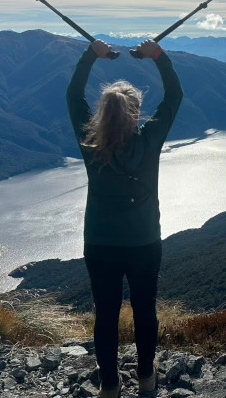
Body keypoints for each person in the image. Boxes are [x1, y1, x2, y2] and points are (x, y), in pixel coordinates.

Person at [67, 38, 183, 398]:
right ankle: (147, 378)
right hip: (144, 241)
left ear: (103, 113)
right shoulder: (149, 141)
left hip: (100, 243)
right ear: (134, 114)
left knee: (106, 313)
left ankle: (110, 385)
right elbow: (174, 96)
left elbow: (73, 96)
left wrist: (91, 55)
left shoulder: (92, 146)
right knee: (145, 308)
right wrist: (157, 56)